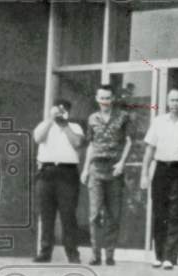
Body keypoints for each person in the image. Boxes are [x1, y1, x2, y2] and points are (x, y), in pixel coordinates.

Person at [140, 88, 178, 269]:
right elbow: (149, 150)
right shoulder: (158, 122)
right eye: (172, 100)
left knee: (176, 214)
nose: (175, 104)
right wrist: (144, 173)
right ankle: (158, 255)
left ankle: (170, 257)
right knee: (160, 213)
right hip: (161, 169)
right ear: (167, 102)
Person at [81, 84, 132, 266]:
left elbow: (128, 141)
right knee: (94, 215)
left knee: (113, 215)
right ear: (97, 99)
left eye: (108, 98)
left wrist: (122, 162)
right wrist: (86, 169)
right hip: (96, 169)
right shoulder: (92, 119)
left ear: (113, 99)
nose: (105, 102)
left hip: (114, 170)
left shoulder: (123, 117)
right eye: (101, 98)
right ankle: (95, 255)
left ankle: (110, 254)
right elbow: (91, 145)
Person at [33, 98, 84, 264]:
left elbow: (77, 143)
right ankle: (45, 252)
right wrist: (50, 119)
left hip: (67, 172)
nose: (60, 113)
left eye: (64, 110)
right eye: (57, 109)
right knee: (46, 215)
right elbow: (38, 138)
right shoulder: (44, 125)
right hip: (46, 172)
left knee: (68, 215)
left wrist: (64, 125)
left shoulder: (74, 127)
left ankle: (72, 253)